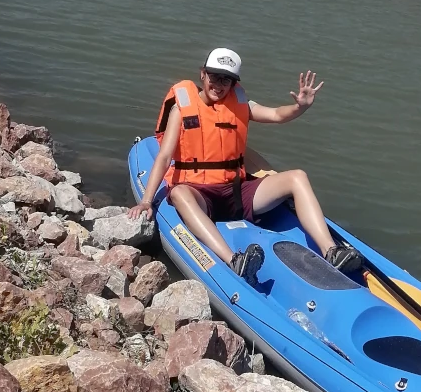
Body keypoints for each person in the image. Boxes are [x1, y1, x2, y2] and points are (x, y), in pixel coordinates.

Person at [127, 46, 363, 283]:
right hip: (200, 194)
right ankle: (234, 260)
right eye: (214, 76)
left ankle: (331, 251)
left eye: (226, 80)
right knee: (178, 192)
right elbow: (165, 157)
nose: (219, 85)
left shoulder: (242, 106)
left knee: (297, 176)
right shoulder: (181, 110)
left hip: (236, 192)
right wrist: (147, 200)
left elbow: (277, 115)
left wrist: (300, 106)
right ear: (202, 74)